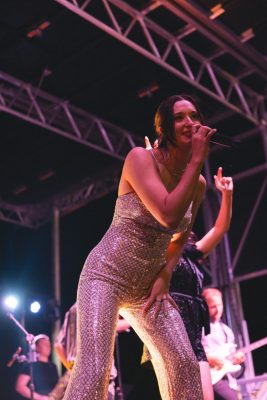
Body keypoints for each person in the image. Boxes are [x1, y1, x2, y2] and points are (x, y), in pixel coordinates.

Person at [63, 94, 216, 400]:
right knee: (94, 373)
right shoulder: (140, 159)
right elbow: (168, 213)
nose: (190, 122)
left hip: (148, 287)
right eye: (179, 117)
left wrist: (165, 275)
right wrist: (198, 158)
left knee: (184, 364)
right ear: (164, 127)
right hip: (106, 274)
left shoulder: (196, 184)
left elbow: (177, 239)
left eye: (194, 115)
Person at [141, 162, 233, 400]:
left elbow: (220, 228)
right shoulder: (157, 248)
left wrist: (227, 195)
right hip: (171, 331)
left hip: (194, 334)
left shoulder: (189, 250)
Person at [50, 303, 130, 400]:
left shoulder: (72, 310)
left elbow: (58, 345)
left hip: (77, 373)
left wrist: (70, 367)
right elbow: (112, 325)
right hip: (98, 375)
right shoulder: (97, 303)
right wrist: (133, 318)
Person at [201, 288, 245, 400]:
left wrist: (237, 360)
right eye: (213, 307)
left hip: (227, 380)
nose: (218, 310)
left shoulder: (227, 330)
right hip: (208, 379)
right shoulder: (199, 329)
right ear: (204, 307)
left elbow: (231, 361)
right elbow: (190, 353)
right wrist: (208, 358)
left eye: (219, 305)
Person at [15, 334, 59, 400]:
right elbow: (20, 387)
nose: (48, 346)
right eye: (44, 344)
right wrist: (41, 398)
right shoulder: (30, 365)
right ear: (36, 347)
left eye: (49, 344)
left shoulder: (53, 366)